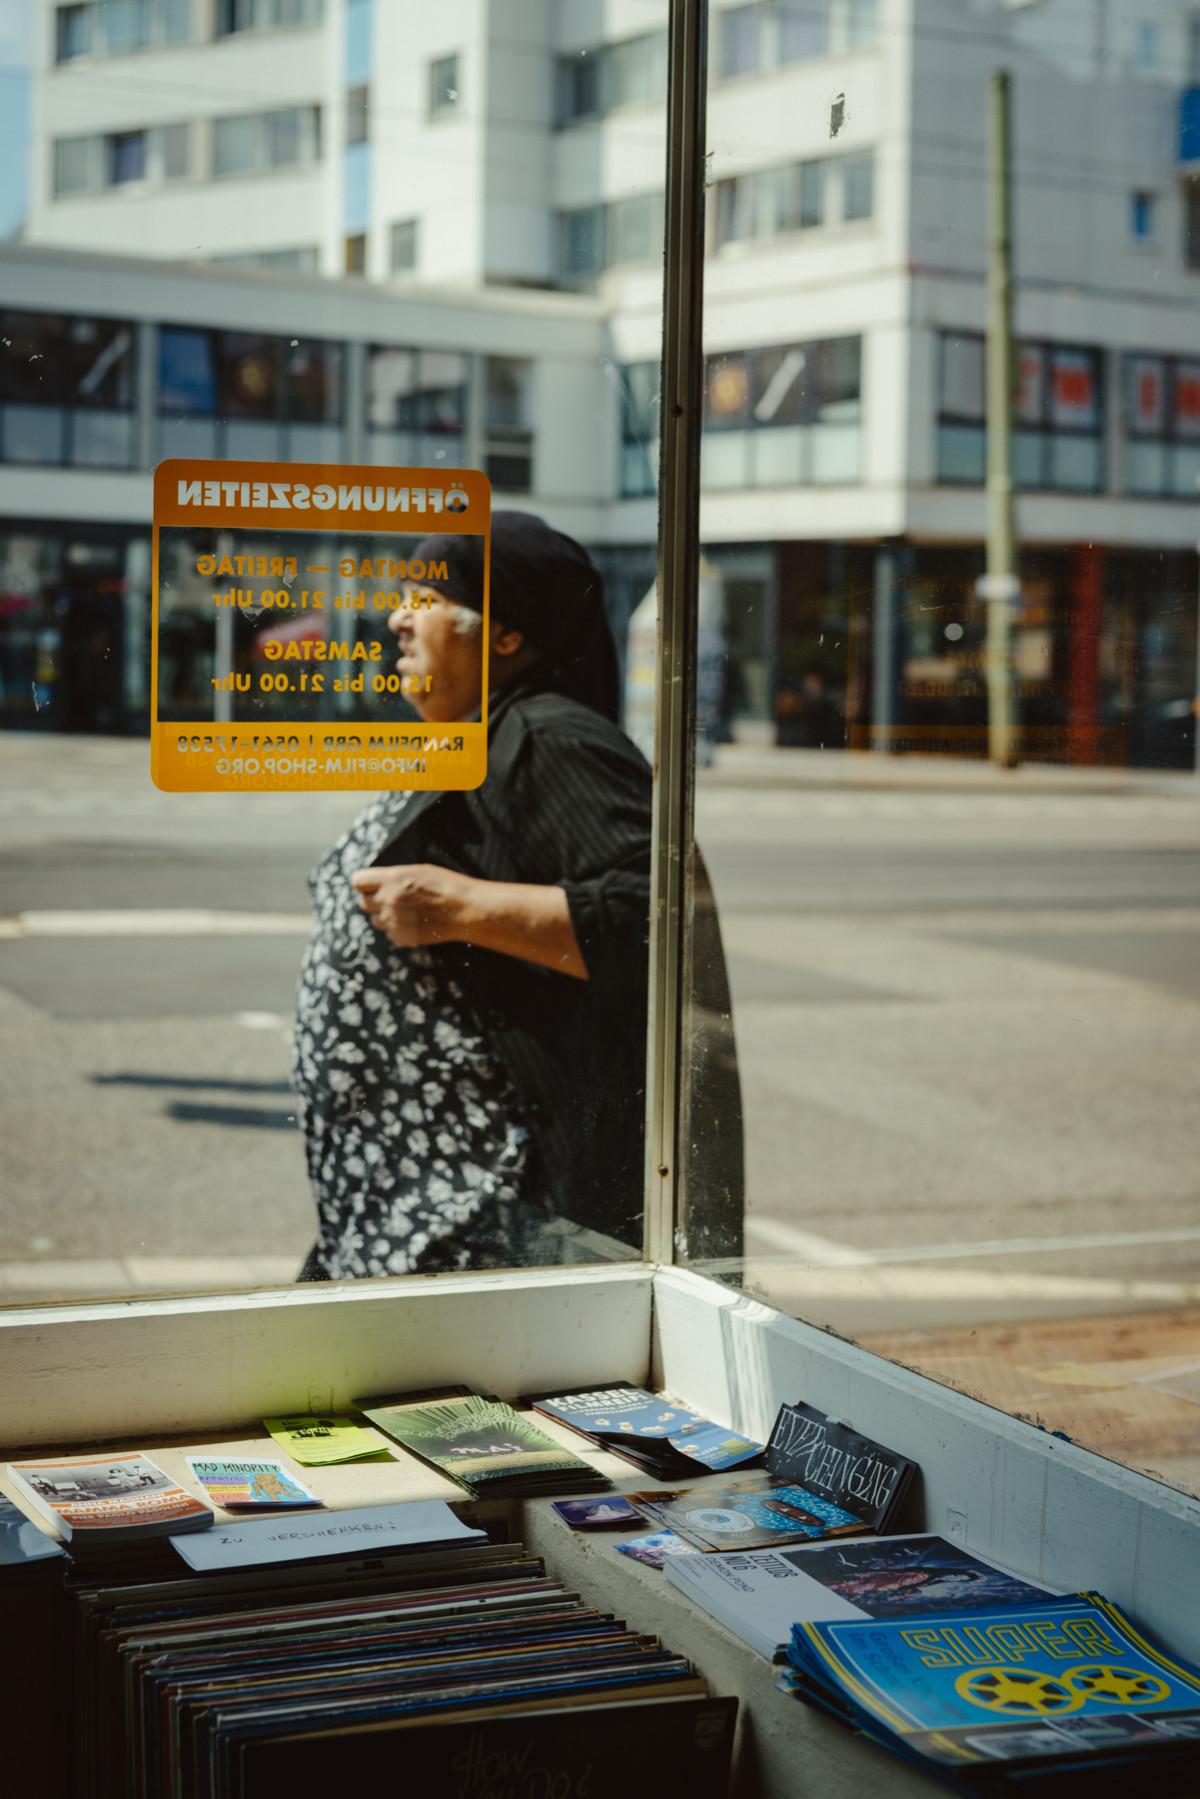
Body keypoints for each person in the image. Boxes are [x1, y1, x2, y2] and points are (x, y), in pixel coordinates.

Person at [292, 511, 742, 1280]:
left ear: (504, 635)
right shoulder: (480, 733)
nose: (398, 617)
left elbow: (657, 921)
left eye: (424, 598)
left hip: (484, 1213)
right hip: (410, 1203)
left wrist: (459, 907)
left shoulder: (549, 737)